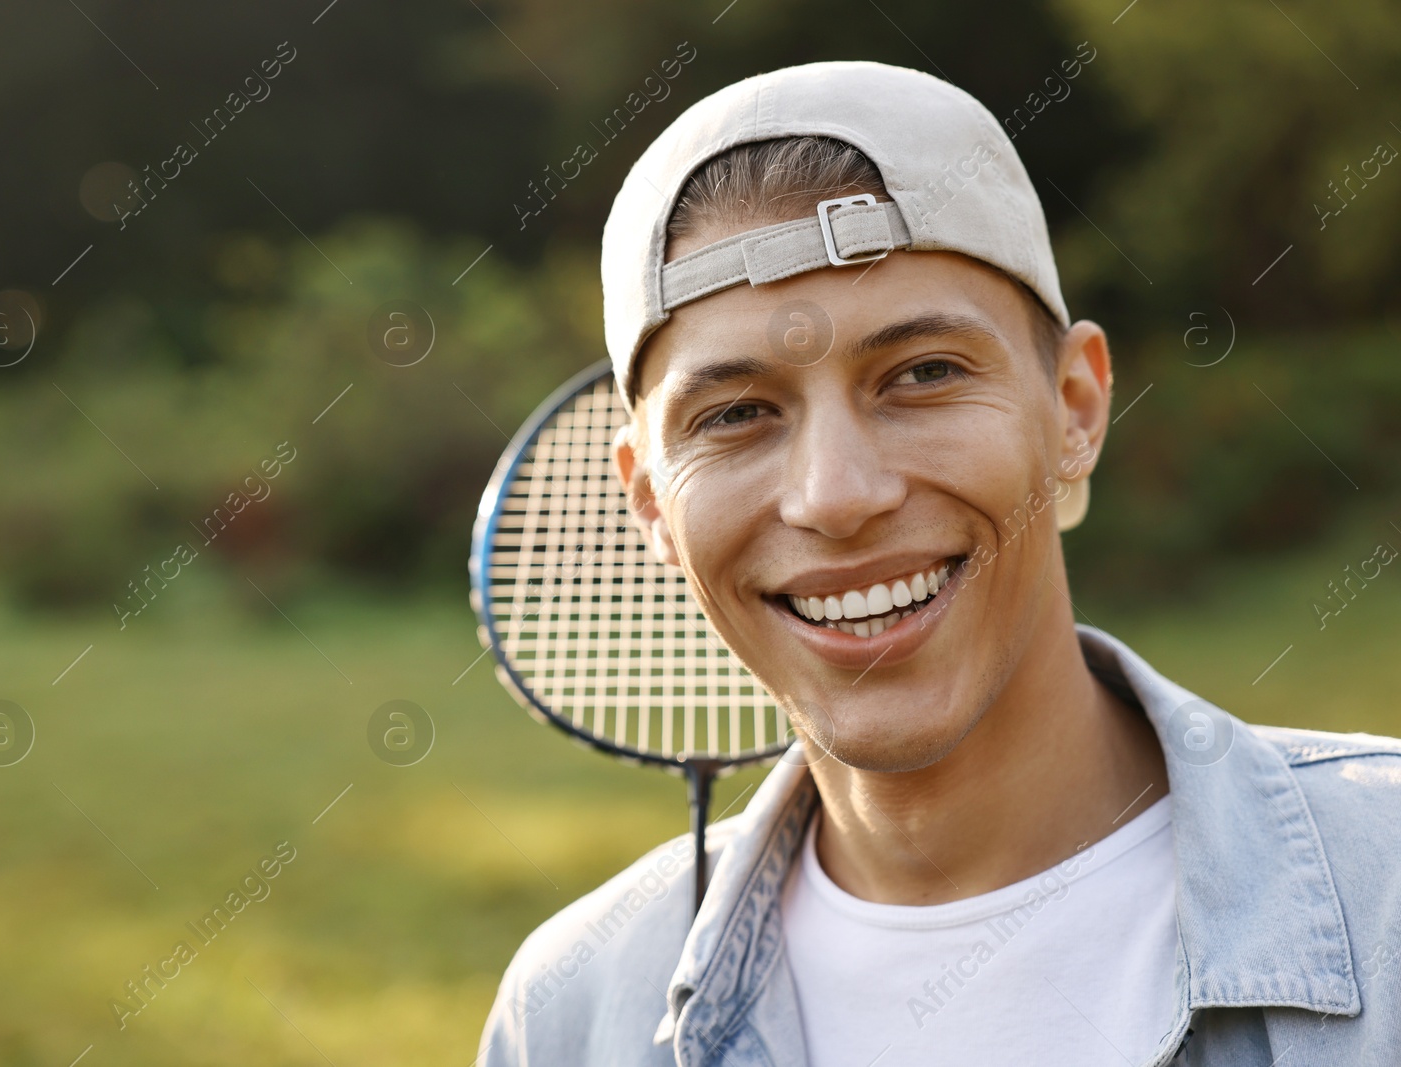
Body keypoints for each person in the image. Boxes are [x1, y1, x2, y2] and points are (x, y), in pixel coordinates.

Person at [477, 61, 1401, 1067]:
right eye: (737, 413)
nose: (834, 494)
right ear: (651, 499)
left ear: (1075, 411)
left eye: (922, 373)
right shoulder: (570, 1008)